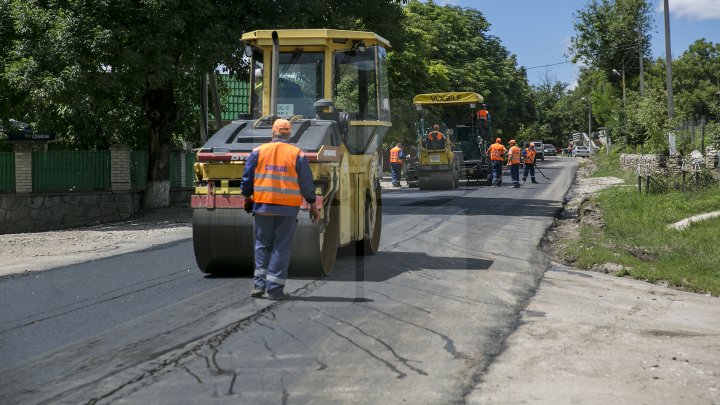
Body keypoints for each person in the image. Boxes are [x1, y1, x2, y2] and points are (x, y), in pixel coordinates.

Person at [241, 118, 320, 300]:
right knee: (280, 248)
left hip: (263, 207)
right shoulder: (297, 154)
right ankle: (275, 290)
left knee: (262, 246)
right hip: (288, 209)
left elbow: (247, 178)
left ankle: (259, 286)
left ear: (273, 133)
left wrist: (247, 197)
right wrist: (313, 204)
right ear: (289, 134)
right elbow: (306, 183)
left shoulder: (257, 152)